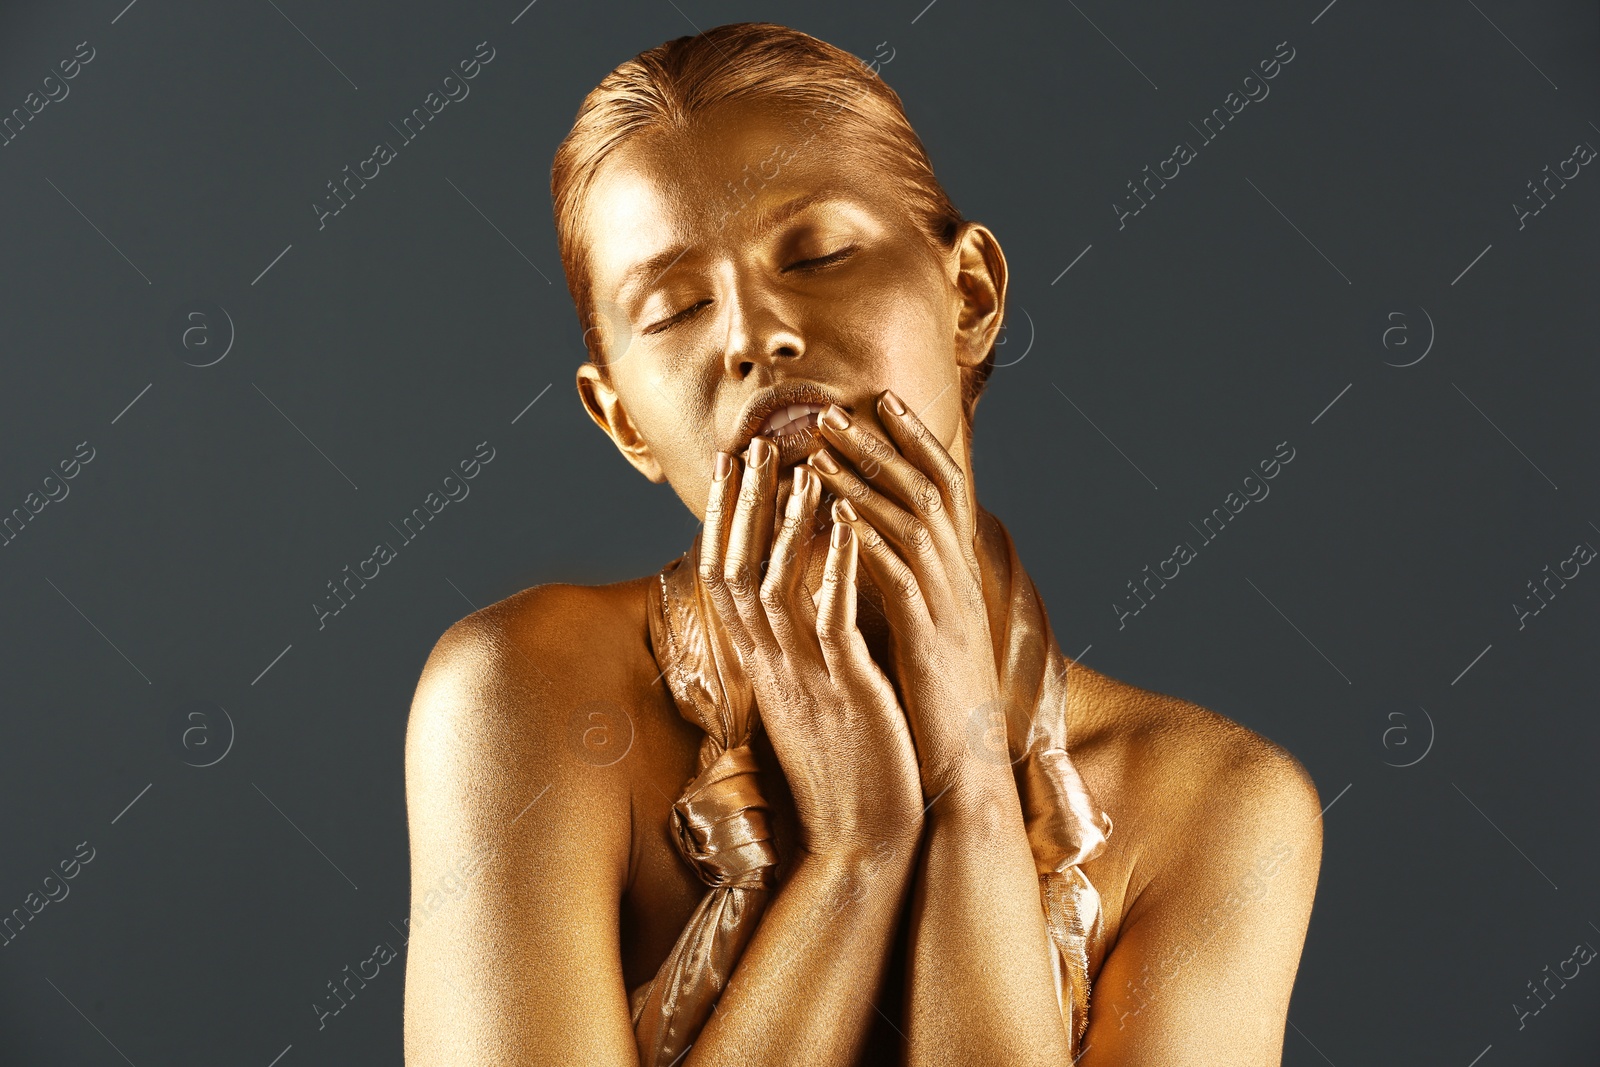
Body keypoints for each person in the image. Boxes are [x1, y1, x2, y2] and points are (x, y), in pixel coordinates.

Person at [403, 22, 1321, 1067]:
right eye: (676, 307)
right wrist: (856, 852)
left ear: (969, 293)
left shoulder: (1213, 805)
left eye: (818, 252)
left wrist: (970, 790)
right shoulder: (525, 698)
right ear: (620, 421)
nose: (754, 334)